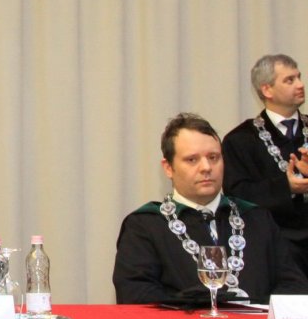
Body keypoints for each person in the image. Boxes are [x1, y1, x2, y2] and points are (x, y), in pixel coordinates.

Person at [113, 113, 308, 305]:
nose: (206, 167)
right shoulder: (145, 225)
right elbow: (136, 295)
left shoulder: (257, 219)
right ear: (168, 168)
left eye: (213, 157)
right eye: (192, 160)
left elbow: (294, 285)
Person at [222, 54, 308, 275]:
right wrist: (285, 187)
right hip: (275, 247)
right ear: (267, 90)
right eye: (289, 80)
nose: (300, 85)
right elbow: (236, 195)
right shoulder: (240, 140)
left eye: (299, 77)